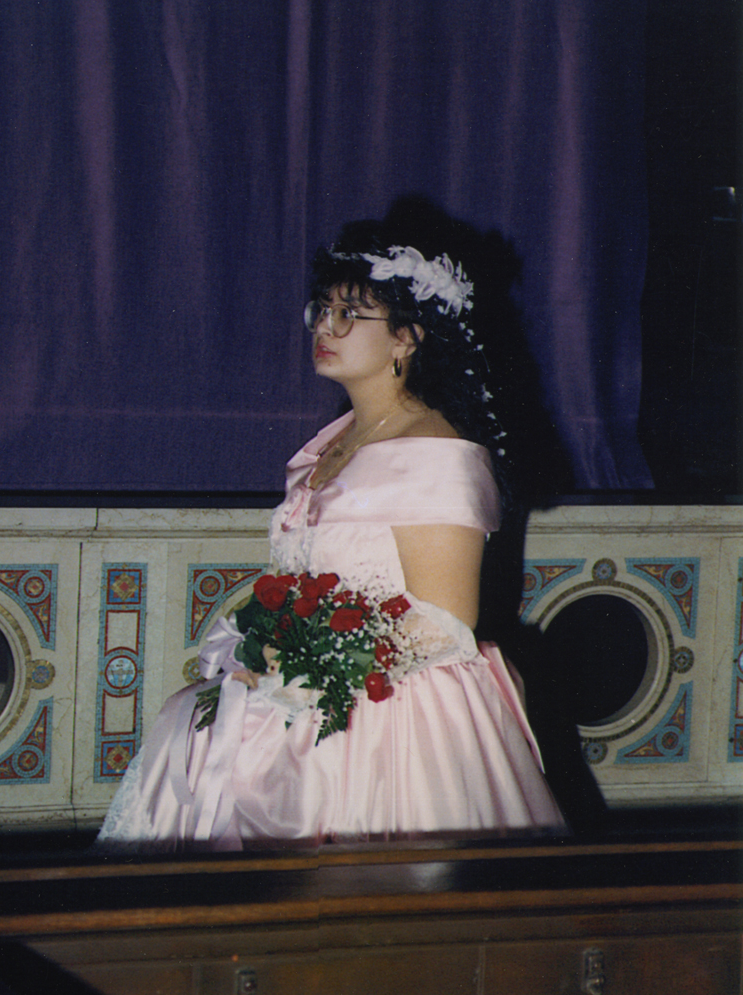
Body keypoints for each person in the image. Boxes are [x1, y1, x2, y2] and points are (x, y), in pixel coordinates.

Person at [96, 218, 566, 852]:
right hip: (300, 691)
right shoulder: (331, 445)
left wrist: (302, 669)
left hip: (391, 717)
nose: (324, 326)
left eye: (350, 313)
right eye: (322, 309)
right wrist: (269, 657)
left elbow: (446, 620)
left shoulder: (437, 451)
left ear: (408, 337)